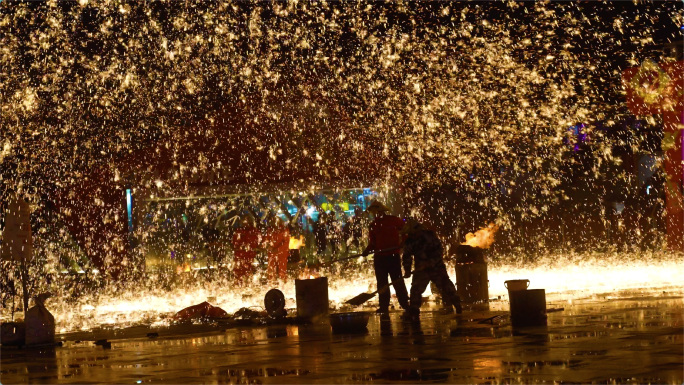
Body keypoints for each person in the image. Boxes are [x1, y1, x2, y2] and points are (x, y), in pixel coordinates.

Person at [402, 219, 462, 315]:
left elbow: (439, 251)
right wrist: (407, 270)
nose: (411, 235)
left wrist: (430, 263)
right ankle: (414, 311)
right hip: (421, 270)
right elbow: (406, 257)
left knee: (446, 286)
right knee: (416, 290)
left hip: (436, 267)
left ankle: (457, 305)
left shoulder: (429, 236)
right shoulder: (409, 241)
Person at [362, 201, 409, 313]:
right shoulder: (373, 225)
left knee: (397, 281)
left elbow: (406, 231)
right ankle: (384, 307)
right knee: (382, 284)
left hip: (393, 255)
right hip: (380, 258)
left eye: (376, 212)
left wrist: (404, 242)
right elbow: (373, 243)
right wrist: (367, 250)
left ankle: (405, 304)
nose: (375, 214)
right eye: (373, 213)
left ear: (382, 211)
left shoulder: (394, 220)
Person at [231, 215, 261, 287]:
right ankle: (239, 285)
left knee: (247, 270)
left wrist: (247, 246)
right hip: (239, 254)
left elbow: (256, 242)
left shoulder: (254, 231)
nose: (244, 222)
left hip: (248, 254)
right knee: (238, 271)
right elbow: (234, 242)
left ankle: (247, 285)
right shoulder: (239, 231)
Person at [265, 215, 290, 282]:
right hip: (272, 253)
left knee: (282, 271)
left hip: (282, 254)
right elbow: (266, 240)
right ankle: (271, 284)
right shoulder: (270, 230)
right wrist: (267, 245)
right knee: (271, 271)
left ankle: (283, 285)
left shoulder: (284, 229)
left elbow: (286, 242)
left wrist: (277, 249)